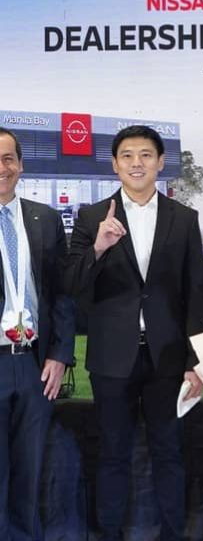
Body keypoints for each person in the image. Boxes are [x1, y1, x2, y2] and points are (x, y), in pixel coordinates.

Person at [66, 125, 203, 541]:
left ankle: (173, 534)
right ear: (114, 165)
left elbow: (195, 293)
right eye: (127, 155)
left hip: (168, 358)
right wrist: (98, 247)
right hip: (112, 358)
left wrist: (195, 361)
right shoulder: (92, 217)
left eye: (146, 154)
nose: (136, 163)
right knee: (112, 454)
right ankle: (108, 534)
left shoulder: (184, 218)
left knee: (169, 453)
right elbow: (72, 285)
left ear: (161, 162)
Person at [0, 127, 74, 541]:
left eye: (8, 158)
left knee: (29, 473)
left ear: (21, 165)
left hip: (33, 364)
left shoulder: (44, 219)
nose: (2, 168)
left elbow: (61, 294)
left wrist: (60, 354)